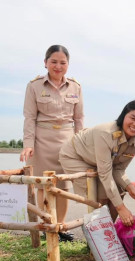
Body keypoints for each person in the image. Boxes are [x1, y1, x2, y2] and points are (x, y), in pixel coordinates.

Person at [20, 45, 84, 242]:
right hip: (41, 140)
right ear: (45, 62)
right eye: (54, 62)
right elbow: (29, 118)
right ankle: (46, 225)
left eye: (62, 62)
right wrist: (28, 144)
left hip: (67, 141)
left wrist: (80, 145)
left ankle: (60, 227)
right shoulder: (34, 86)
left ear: (68, 64)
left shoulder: (76, 87)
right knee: (42, 186)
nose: (58, 66)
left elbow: (79, 119)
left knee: (64, 186)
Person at [59, 100, 135, 226]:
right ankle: (97, 234)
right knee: (100, 193)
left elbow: (118, 169)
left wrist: (130, 187)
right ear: (124, 116)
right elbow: (106, 174)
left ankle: (106, 232)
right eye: (132, 118)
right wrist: (121, 208)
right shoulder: (105, 133)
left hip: (98, 163)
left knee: (119, 191)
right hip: (75, 156)